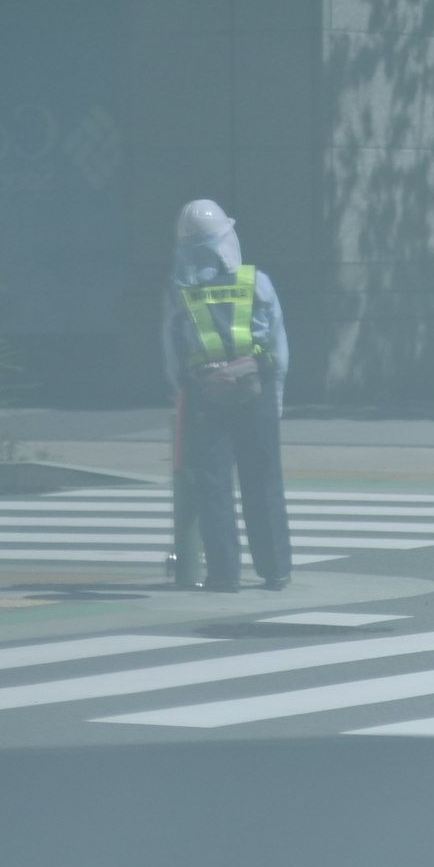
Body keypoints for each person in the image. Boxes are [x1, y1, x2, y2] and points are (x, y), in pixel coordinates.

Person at [162, 198, 292, 592]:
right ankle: (276, 569)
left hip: (205, 393)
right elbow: (279, 345)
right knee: (263, 478)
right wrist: (279, 394)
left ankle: (224, 574)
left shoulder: (179, 290)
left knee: (214, 483)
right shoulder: (256, 281)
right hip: (256, 388)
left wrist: (179, 392)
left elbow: (171, 351)